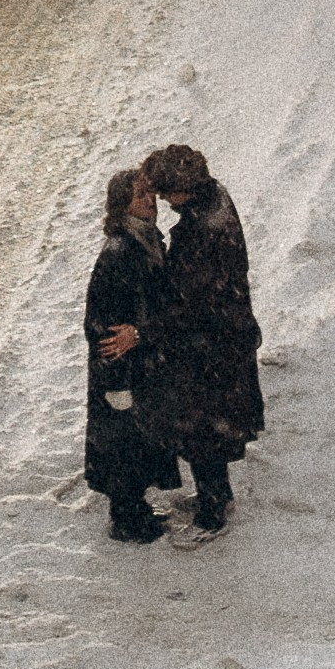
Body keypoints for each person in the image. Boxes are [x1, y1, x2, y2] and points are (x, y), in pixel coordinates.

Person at [140, 141, 262, 532]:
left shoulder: (199, 231)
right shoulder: (213, 199)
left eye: (166, 192)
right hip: (225, 336)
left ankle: (211, 516)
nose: (164, 200)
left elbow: (189, 303)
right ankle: (217, 495)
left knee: (202, 431)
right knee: (212, 429)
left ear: (183, 188)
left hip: (209, 347)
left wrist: (143, 330)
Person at [85, 167, 183, 545]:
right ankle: (125, 519)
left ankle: (135, 508)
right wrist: (115, 382)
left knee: (138, 444)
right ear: (122, 204)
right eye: (140, 196)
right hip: (123, 371)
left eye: (150, 194)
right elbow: (101, 325)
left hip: (141, 364)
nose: (150, 202)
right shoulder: (119, 252)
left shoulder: (145, 241)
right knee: (124, 446)